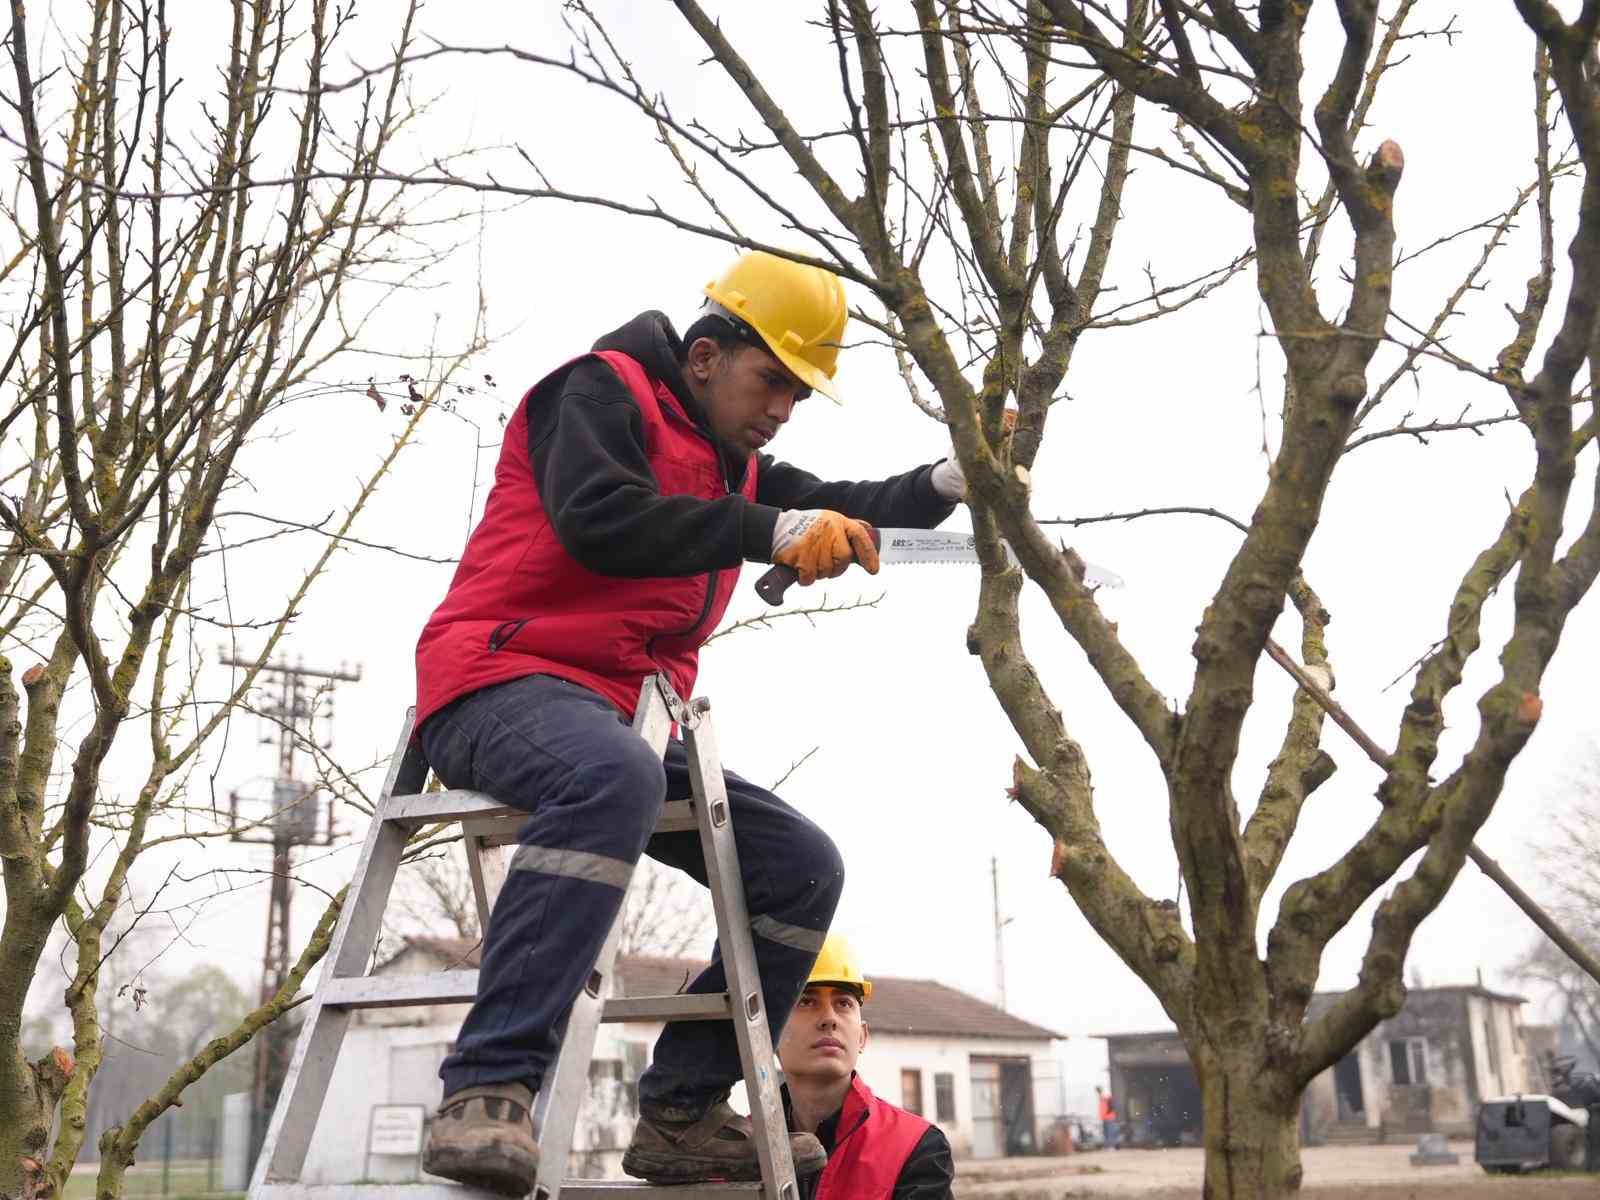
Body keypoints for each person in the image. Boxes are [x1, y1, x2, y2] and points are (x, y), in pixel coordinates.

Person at [414, 251, 973, 1193]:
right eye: (772, 383)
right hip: (497, 681)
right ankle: (488, 1088)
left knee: (799, 865)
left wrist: (947, 485)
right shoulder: (597, 395)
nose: (780, 409)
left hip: (625, 719)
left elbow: (845, 504)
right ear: (707, 355)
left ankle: (681, 1108)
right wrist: (768, 531)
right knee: (611, 779)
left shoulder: (734, 466)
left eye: (798, 396)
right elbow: (604, 520)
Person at [777, 935, 953, 1199]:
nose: (829, 1019)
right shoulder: (734, 1151)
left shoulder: (916, 1147)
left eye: (844, 1003)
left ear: (862, 1036)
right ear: (770, 1034)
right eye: (807, 1001)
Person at [1097, 1086, 1120, 1150]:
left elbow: (1111, 1106)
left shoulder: (1106, 1098)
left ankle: (1112, 1146)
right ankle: (1108, 1146)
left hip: (1109, 1118)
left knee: (1110, 1132)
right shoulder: (1102, 1098)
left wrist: (1108, 1113)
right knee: (1106, 1133)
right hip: (1105, 1118)